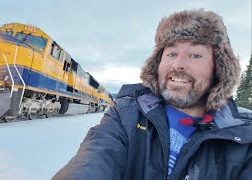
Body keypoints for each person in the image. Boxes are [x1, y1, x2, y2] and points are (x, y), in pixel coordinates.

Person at [53, 9, 252, 180]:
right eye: (171, 53)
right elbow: (92, 161)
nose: (178, 64)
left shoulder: (245, 135)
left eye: (195, 55)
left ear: (219, 69)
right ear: (157, 64)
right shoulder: (125, 115)